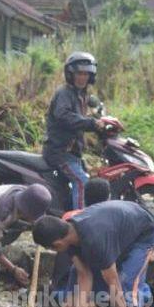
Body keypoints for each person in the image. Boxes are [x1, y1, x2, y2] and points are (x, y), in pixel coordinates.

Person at [31, 200, 154, 307]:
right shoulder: (69, 234)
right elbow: (83, 274)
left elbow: (114, 283)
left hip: (144, 232)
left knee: (125, 281)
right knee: (73, 275)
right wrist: (80, 306)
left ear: (57, 244)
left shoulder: (96, 240)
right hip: (119, 225)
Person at [43, 52, 106, 211]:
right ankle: (78, 220)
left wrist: (100, 118)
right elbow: (63, 115)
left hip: (72, 152)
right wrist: (91, 123)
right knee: (81, 181)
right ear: (71, 74)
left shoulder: (82, 94)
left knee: (85, 178)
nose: (82, 77)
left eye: (86, 74)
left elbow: (89, 111)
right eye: (79, 73)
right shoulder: (64, 93)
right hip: (60, 152)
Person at [52, 177, 112, 291]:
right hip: (92, 287)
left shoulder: (69, 217)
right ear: (108, 198)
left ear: (84, 198)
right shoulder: (106, 222)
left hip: (61, 286)